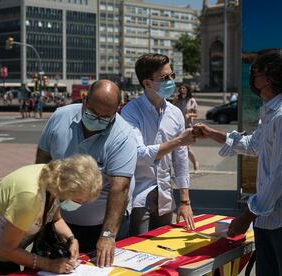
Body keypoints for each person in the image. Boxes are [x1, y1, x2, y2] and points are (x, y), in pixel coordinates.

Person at [193, 49, 282, 276]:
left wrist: (247, 216)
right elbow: (253, 145)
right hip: (270, 218)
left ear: (271, 76)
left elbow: (279, 177)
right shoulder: (274, 110)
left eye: (254, 72)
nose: (251, 77)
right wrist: (213, 134)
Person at [36, 80, 137, 267]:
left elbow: (119, 188)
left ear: (116, 110)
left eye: (105, 116)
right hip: (58, 221)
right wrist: (43, 216)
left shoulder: (124, 137)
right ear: (84, 101)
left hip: (101, 227)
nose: (97, 119)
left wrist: (108, 235)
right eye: (93, 113)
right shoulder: (60, 117)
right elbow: (42, 161)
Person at [0, 154, 102, 275]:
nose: (80, 205)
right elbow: (7, 249)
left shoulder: (55, 179)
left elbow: (55, 219)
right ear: (65, 189)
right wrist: (50, 265)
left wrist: (71, 239)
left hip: (6, 244)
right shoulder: (30, 197)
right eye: (78, 200)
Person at [121, 53, 196, 236]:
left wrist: (185, 202)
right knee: (138, 250)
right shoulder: (131, 111)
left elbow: (180, 160)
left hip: (165, 194)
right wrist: (179, 141)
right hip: (139, 196)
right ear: (147, 83)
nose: (171, 81)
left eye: (172, 76)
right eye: (165, 78)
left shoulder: (175, 113)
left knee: (164, 248)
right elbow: (139, 154)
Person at [172, 84, 200, 171]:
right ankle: (181, 167)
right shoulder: (177, 100)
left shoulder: (192, 101)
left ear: (187, 90)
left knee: (187, 147)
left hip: (188, 126)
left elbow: (196, 114)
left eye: (184, 88)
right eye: (181, 88)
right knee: (177, 147)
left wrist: (190, 114)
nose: (182, 89)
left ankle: (195, 163)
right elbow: (171, 111)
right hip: (177, 126)